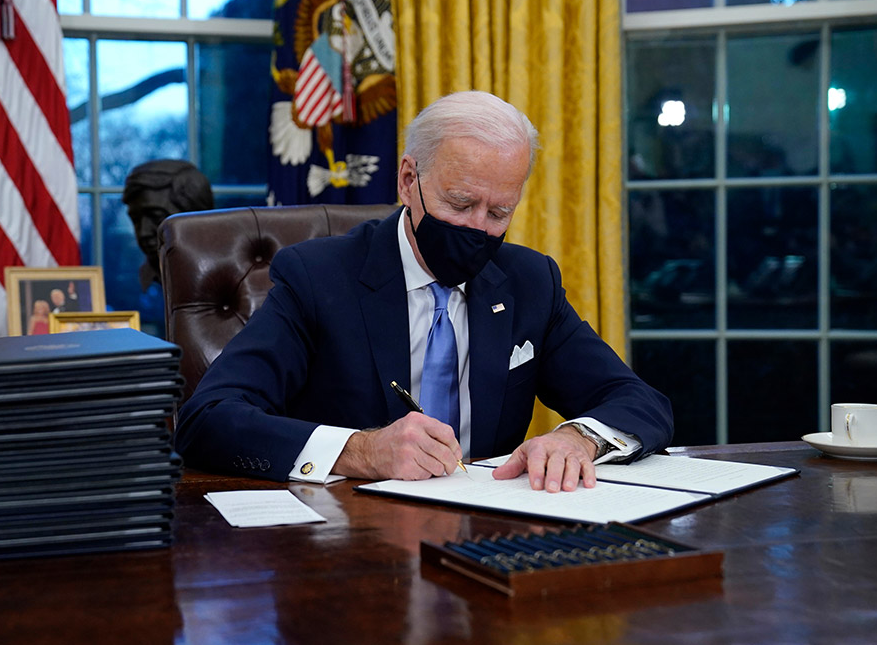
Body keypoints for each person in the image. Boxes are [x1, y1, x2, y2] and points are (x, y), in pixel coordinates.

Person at [174, 91, 674, 493]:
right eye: (459, 204)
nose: (478, 228)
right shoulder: (317, 277)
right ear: (409, 180)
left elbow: (638, 400)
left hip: (488, 536)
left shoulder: (528, 282)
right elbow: (207, 420)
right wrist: (360, 451)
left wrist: (578, 437)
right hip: (348, 545)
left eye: (499, 212)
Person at [122, 159, 214, 289]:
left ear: (195, 218)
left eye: (156, 217)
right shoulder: (130, 285)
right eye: (136, 220)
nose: (143, 232)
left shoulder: (230, 280)